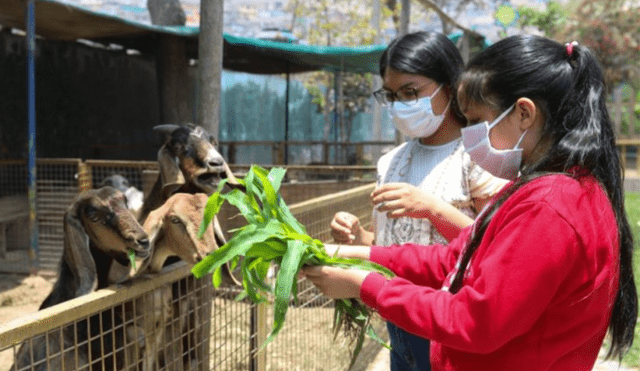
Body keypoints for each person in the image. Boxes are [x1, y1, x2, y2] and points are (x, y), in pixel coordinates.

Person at [305, 34, 638, 370]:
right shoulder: (546, 189)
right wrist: (356, 254)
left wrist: (365, 285)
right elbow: (455, 257)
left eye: (477, 120)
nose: (470, 134)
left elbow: (475, 321)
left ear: (524, 113)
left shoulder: (550, 206)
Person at [330, 31, 508, 371]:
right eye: (391, 95)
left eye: (411, 92)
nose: (400, 104)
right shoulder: (391, 161)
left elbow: (494, 249)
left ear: (451, 85)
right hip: (398, 320)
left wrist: (433, 209)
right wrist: (356, 239)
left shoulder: (480, 157)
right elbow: (385, 245)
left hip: (450, 327)